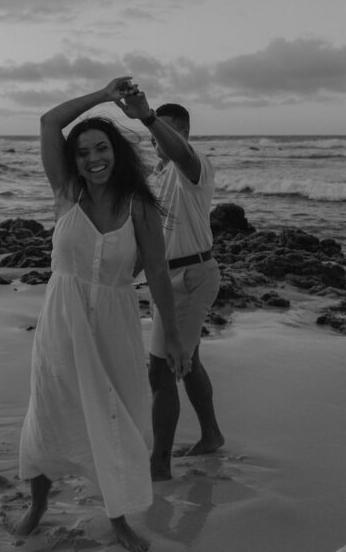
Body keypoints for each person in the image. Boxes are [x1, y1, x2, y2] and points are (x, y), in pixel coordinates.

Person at [15, 77, 190, 552]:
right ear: (74, 160)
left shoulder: (139, 205)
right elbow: (51, 121)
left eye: (102, 148)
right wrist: (104, 96)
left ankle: (118, 519)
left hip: (115, 325)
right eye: (84, 151)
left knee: (116, 417)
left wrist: (173, 335)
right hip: (61, 323)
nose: (94, 158)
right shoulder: (67, 193)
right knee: (50, 412)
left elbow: (156, 271)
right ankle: (38, 503)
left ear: (117, 152)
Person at [116, 90, 225, 481]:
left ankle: (159, 464)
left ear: (183, 133)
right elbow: (150, 240)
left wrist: (148, 118)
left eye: (167, 131)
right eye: (154, 134)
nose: (158, 140)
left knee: (161, 371)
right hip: (166, 279)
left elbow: (178, 152)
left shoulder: (193, 169)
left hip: (194, 276)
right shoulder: (156, 179)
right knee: (187, 362)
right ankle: (211, 434)